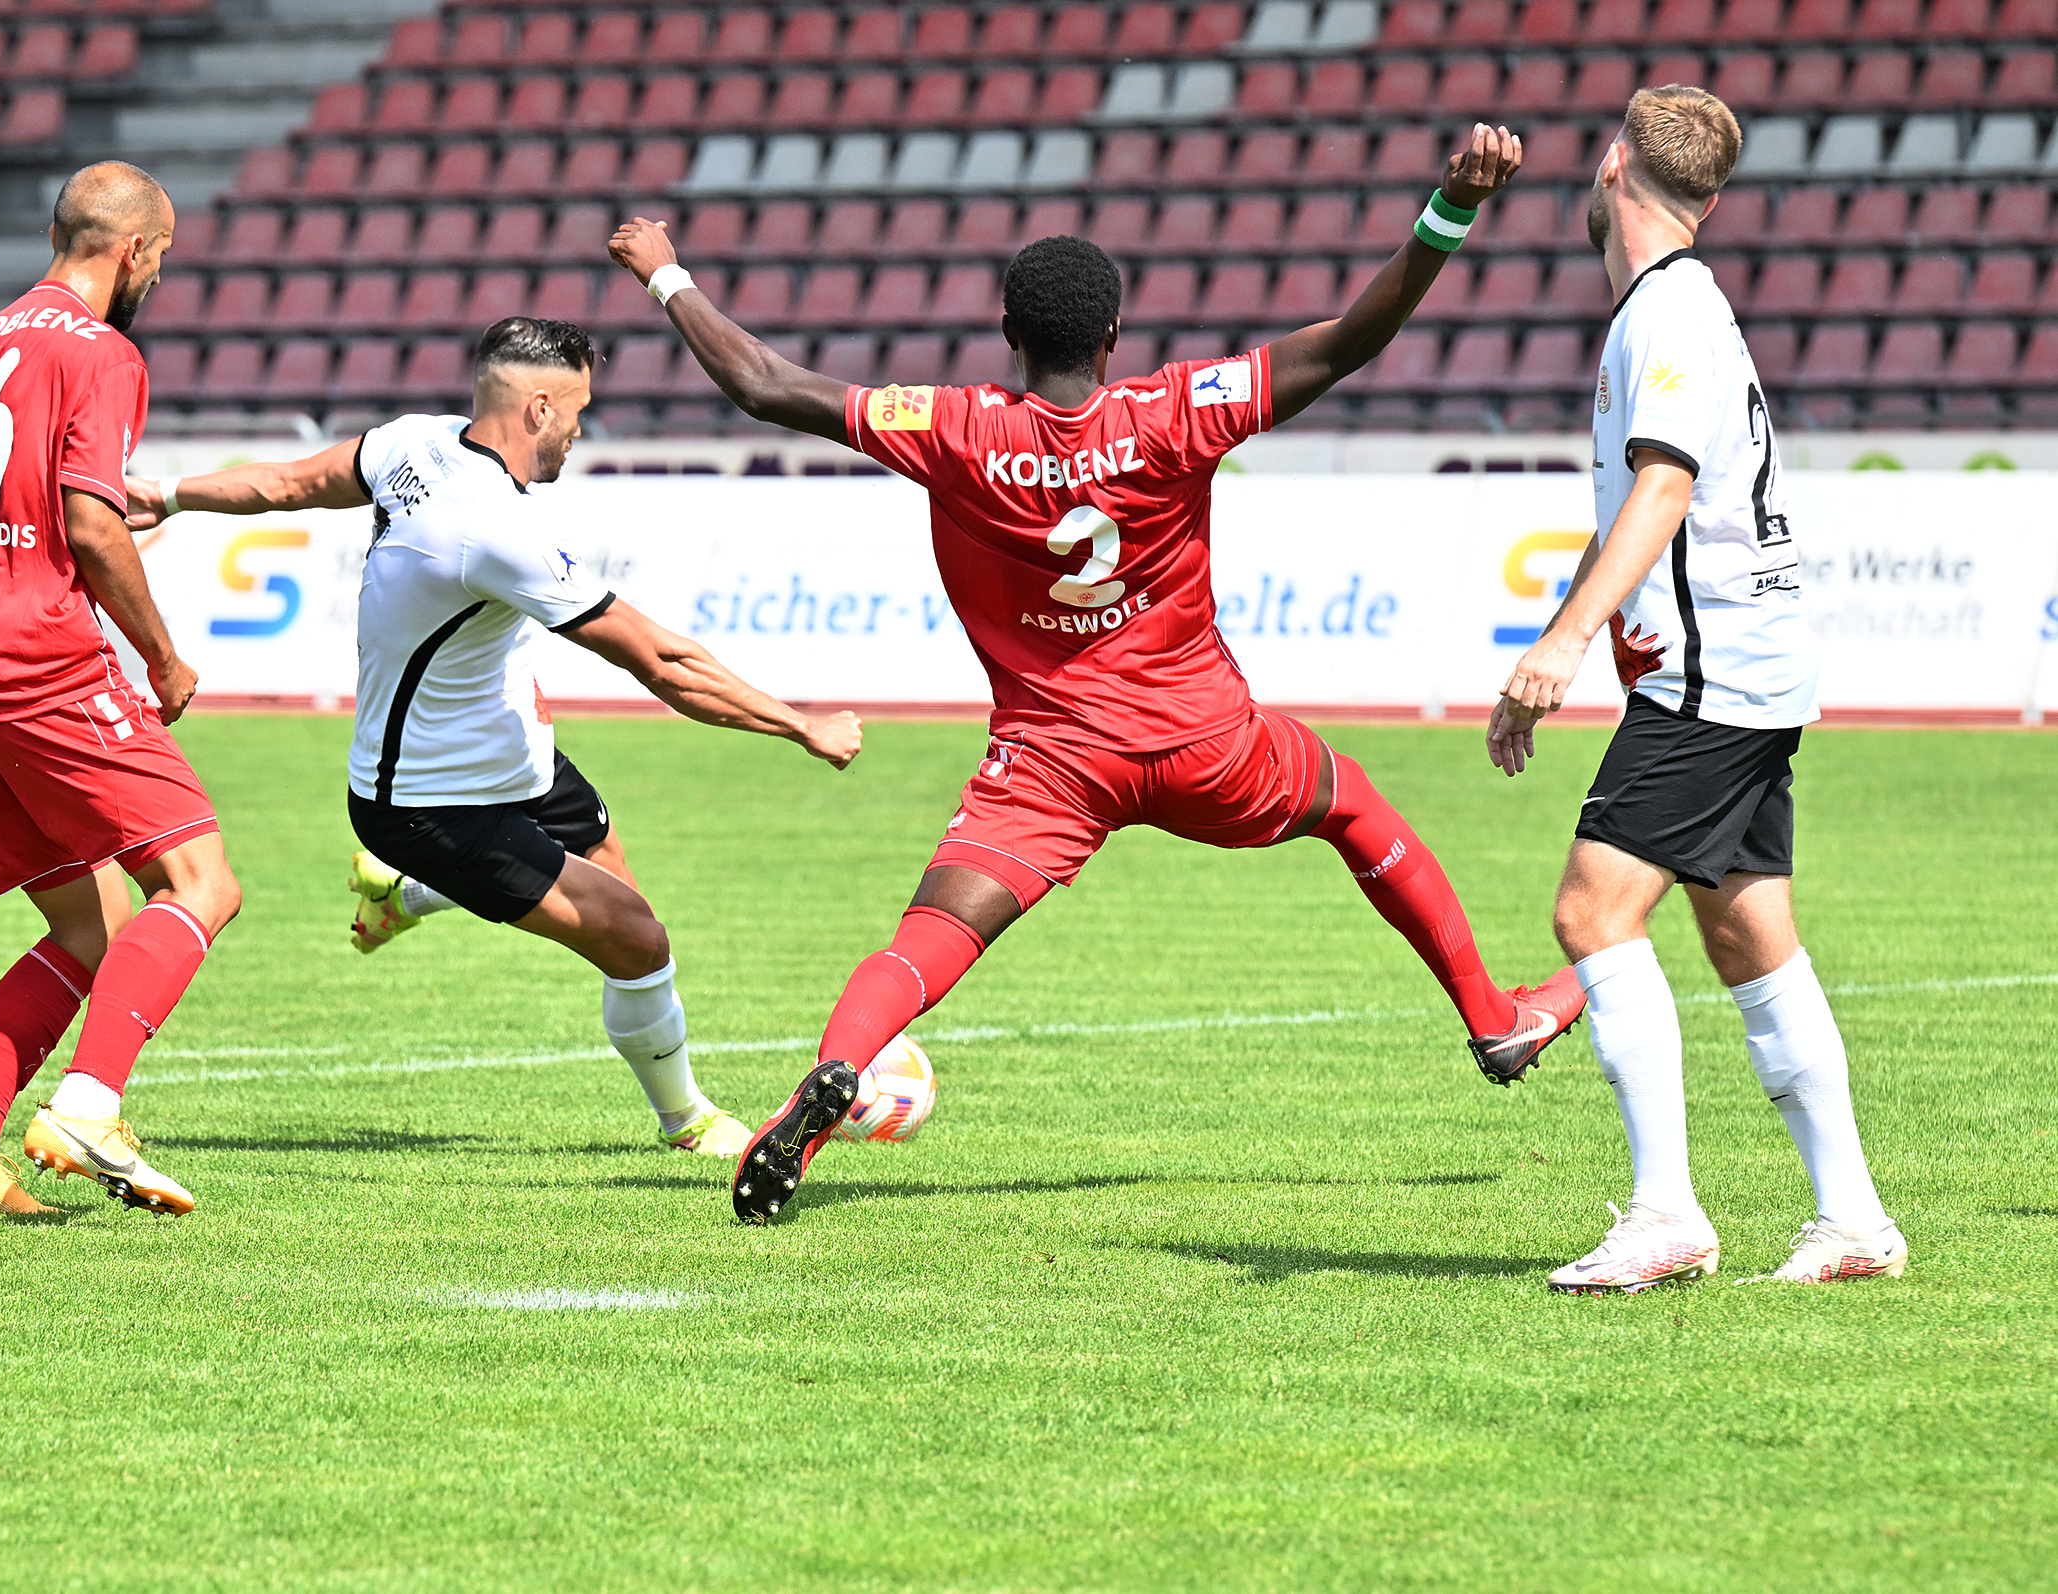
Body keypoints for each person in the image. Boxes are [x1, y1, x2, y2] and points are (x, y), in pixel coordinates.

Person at [608, 124, 1590, 1225]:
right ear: (1112, 336)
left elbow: (761, 382)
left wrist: (666, 274)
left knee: (929, 935)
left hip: (1053, 761)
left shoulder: (950, 427)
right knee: (1351, 806)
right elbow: (1348, 341)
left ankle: (828, 1076)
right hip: (1205, 740)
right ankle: (1492, 1015)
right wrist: (1447, 210)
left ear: (1005, 334)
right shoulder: (1174, 409)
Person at [121, 317, 864, 1159]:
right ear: (539, 407)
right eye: (579, 410)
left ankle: (401, 897)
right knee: (637, 936)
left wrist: (174, 494)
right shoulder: (494, 530)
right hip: (428, 804)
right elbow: (662, 661)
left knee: (616, 886)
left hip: (516, 752)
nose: (583, 429)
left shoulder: (416, 441)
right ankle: (687, 1120)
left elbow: (294, 483)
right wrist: (800, 724)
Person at [1487, 87, 1906, 1292]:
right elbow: (1632, 511)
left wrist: (1563, 645)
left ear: (1614, 165)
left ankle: (1665, 1213)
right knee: (1748, 936)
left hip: (1706, 672)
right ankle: (1853, 1220)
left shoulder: (1666, 315)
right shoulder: (1670, 308)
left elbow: (1664, 491)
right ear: (1709, 200)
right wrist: (1557, 634)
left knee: (1591, 914)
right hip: (1744, 665)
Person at [0, 161, 233, 1217]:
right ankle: (87, 1102)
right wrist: (161, 656)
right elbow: (89, 521)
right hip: (45, 658)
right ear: (133, 251)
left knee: (90, 924)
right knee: (200, 883)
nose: (158, 269)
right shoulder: (105, 354)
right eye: (159, 252)